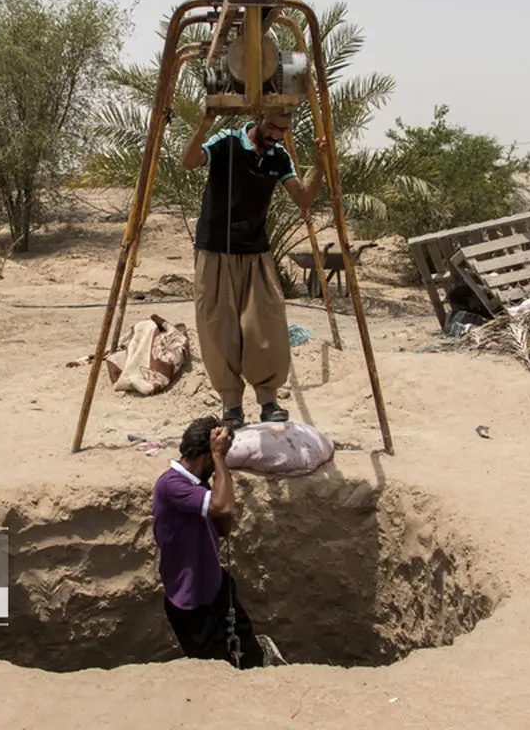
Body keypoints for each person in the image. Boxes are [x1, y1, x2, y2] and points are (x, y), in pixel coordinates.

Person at [181, 108, 327, 429]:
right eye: (273, 127)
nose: (276, 135)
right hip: (215, 250)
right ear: (259, 117)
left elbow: (302, 199)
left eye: (283, 130)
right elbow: (189, 162)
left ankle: (268, 400)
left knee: (267, 325)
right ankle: (231, 405)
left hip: (256, 253)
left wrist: (319, 165)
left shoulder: (279, 157)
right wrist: (204, 124)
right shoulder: (227, 141)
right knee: (219, 328)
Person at [152, 415, 265, 668]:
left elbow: (224, 524)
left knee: (251, 658)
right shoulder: (171, 485)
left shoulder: (198, 485)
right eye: (214, 460)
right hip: (191, 602)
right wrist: (219, 458)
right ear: (206, 458)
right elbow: (223, 505)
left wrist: (218, 474)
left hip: (216, 590)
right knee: (217, 671)